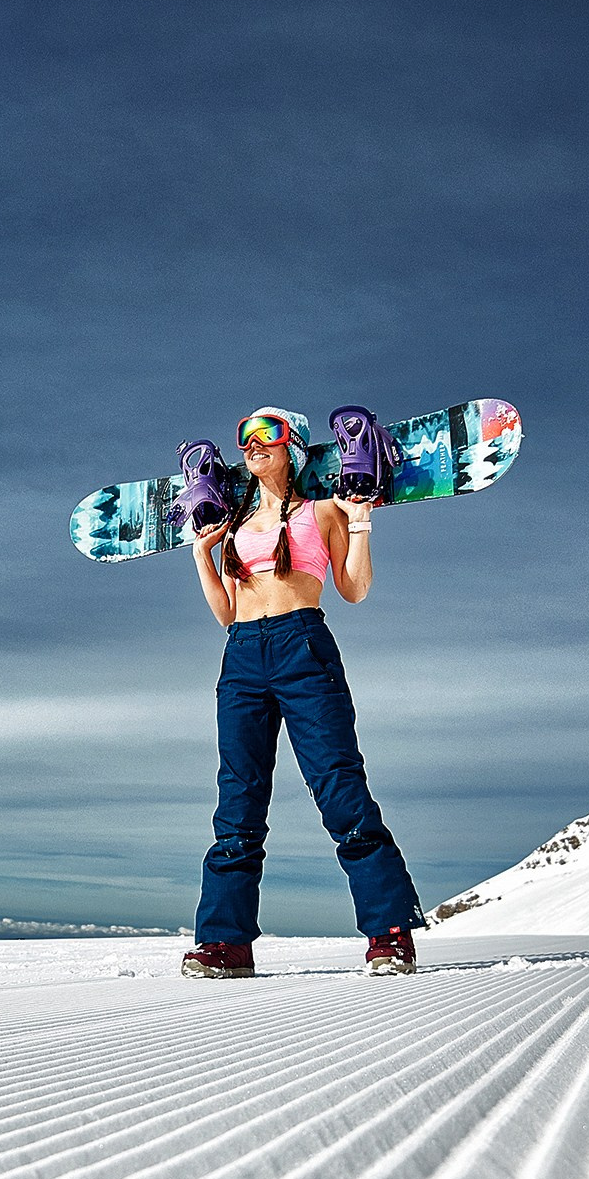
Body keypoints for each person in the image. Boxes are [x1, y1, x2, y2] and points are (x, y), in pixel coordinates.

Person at [182, 407, 424, 978]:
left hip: (303, 645)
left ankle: (390, 932)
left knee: (338, 786)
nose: (253, 445)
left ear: (295, 445)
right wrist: (201, 555)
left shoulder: (323, 511)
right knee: (237, 799)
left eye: (267, 434)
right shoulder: (234, 524)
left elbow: (353, 589)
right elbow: (225, 613)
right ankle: (226, 943)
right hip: (241, 655)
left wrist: (360, 521)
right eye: (244, 438)